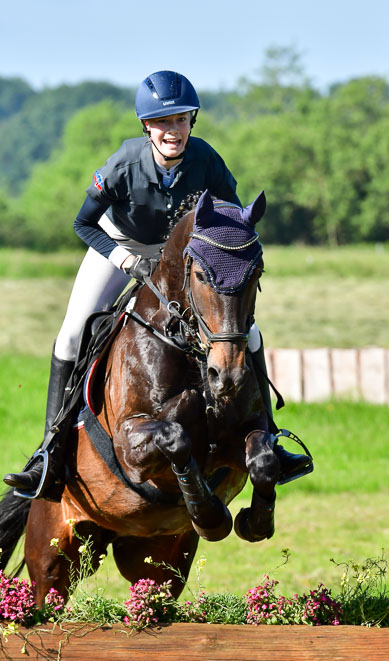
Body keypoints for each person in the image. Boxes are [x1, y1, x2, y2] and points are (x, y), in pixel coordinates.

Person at [3, 70, 312, 498]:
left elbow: (235, 223)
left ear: (192, 123)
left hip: (181, 257)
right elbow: (83, 223)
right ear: (146, 126)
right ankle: (50, 455)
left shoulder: (207, 161)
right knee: (71, 334)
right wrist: (123, 256)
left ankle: (272, 438)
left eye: (181, 120)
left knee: (249, 333)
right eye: (163, 122)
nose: (173, 130)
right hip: (119, 246)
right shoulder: (123, 164)